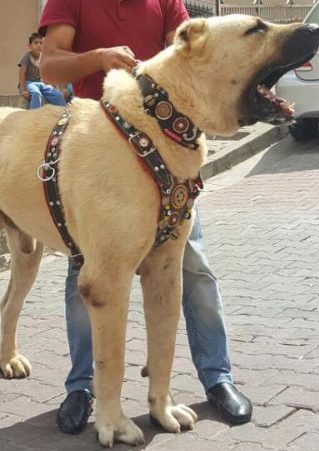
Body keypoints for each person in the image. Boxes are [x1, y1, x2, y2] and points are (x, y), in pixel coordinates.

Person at [38, 0, 252, 435]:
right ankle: (82, 387)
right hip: (95, 153)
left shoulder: (164, 2)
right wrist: (97, 59)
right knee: (87, 278)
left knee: (194, 267)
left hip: (166, 149)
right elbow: (49, 67)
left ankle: (216, 377)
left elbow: (197, 47)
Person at [17, 32, 66, 109]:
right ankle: (33, 116)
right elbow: (22, 74)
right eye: (36, 43)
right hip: (29, 83)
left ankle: (64, 114)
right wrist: (23, 90)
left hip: (41, 83)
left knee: (58, 95)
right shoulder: (27, 56)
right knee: (36, 93)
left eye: (41, 43)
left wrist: (55, 89)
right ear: (30, 46)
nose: (39, 45)